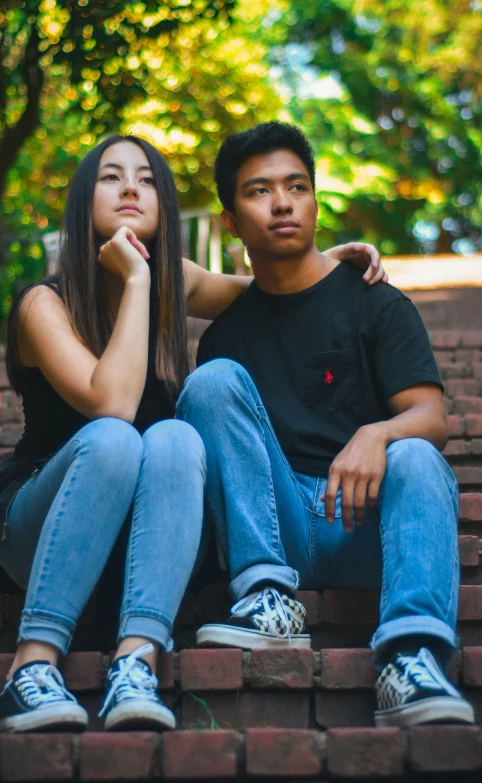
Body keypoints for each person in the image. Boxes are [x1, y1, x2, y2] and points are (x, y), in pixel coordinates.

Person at [0, 133, 385, 734]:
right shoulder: (45, 304)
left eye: (145, 180)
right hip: (41, 523)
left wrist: (328, 264)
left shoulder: (178, 281)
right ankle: (32, 668)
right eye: (111, 176)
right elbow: (111, 406)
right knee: (120, 440)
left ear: (163, 205)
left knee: (177, 439)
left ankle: (135, 664)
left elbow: (274, 289)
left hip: (143, 534)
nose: (130, 189)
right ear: (82, 200)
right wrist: (138, 285)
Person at [177, 122, 475, 728]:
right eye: (258, 191)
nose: (282, 202)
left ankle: (409, 659)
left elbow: (431, 418)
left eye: (296, 186)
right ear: (230, 221)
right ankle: (265, 597)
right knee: (208, 383)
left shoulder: (373, 300)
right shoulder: (226, 335)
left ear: (314, 199)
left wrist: (377, 433)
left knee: (417, 455)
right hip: (274, 522)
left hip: (363, 522)